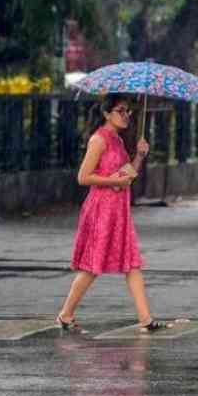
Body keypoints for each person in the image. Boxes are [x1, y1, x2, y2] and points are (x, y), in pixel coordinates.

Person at [56, 93, 169, 333]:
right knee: (93, 266)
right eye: (121, 110)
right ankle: (65, 315)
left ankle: (146, 320)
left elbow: (127, 175)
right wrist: (111, 180)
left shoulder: (117, 140)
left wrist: (139, 155)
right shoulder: (99, 139)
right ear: (107, 113)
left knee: (132, 263)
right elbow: (83, 177)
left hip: (119, 211)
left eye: (128, 111)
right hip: (102, 209)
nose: (127, 115)